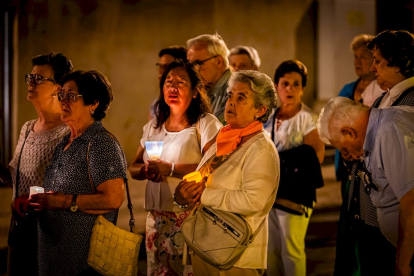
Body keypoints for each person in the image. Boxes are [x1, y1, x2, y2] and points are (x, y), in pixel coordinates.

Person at [175, 70, 279, 276]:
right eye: (230, 95)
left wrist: (203, 194)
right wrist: (182, 194)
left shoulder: (261, 149)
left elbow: (254, 202)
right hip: (206, 244)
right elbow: (200, 178)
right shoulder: (225, 138)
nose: (231, 102)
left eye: (241, 98)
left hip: (235, 256)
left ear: (260, 110)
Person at [28, 70, 127, 276]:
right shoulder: (65, 142)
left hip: (83, 262)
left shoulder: (100, 142)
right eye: (61, 95)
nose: (63, 101)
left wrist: (64, 201)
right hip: (54, 256)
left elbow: (113, 198)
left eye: (72, 96)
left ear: (93, 104)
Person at [129, 61, 222, 276]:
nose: (172, 88)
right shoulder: (154, 126)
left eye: (180, 83)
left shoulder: (204, 123)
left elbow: (213, 165)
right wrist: (145, 171)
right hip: (156, 218)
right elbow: (133, 166)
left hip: (189, 216)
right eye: (168, 82)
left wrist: (170, 168)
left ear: (195, 92)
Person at [334, 30, 414, 276]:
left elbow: (409, 189)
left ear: (399, 63)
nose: (372, 66)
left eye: (378, 60)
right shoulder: (384, 98)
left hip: (391, 226)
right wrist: (356, 153)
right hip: (369, 218)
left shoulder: (408, 103)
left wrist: (405, 257)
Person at [318, 97, 414, 276]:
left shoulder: (388, 130)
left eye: (344, 150)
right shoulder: (380, 129)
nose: (349, 157)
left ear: (349, 132)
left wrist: (403, 263)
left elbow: (411, 200)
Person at [7, 52, 72, 276]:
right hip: (20, 229)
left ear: (58, 88)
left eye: (39, 79)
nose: (31, 83)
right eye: (30, 77)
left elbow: (71, 187)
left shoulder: (67, 132)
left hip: (49, 235)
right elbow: (17, 174)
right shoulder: (27, 128)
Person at [264, 60, 325, 276]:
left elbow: (315, 156)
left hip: (295, 192)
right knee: (270, 249)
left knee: (291, 248)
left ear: (302, 88)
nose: (289, 89)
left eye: (296, 84)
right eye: (285, 83)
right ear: (277, 86)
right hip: (269, 191)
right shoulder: (268, 117)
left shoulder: (308, 119)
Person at [335, 34, 385, 195]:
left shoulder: (383, 90)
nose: (357, 61)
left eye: (363, 57)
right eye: (355, 57)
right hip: (346, 161)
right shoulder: (347, 89)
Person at [187, 33, 231, 124]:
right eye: (190, 65)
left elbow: (216, 131)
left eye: (198, 63)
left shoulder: (235, 90)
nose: (193, 70)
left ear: (218, 61)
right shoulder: (204, 88)